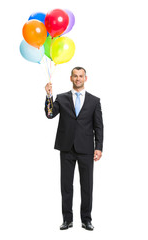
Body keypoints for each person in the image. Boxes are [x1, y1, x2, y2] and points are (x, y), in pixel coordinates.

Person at [45, 67, 104, 231]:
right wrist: (49, 95)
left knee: (87, 185)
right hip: (66, 147)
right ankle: (67, 219)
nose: (78, 79)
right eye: (75, 76)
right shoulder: (61, 98)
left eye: (81, 76)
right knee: (66, 186)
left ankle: (86, 220)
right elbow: (50, 114)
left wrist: (98, 147)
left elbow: (99, 126)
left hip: (86, 148)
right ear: (71, 78)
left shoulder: (94, 101)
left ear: (86, 78)